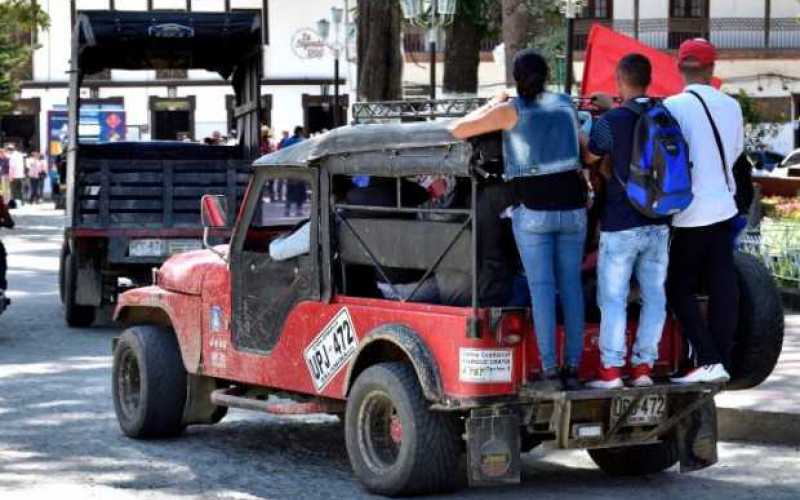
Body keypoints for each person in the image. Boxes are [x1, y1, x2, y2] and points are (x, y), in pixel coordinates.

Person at [450, 49, 588, 390]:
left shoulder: (510, 111)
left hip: (534, 207)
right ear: (547, 76)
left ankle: (551, 370)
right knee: (571, 286)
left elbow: (458, 129)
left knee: (542, 289)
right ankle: (574, 365)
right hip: (574, 206)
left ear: (516, 78)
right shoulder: (565, 104)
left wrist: (491, 103)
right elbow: (583, 145)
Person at [582, 54, 670, 389]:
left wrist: (601, 115)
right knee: (654, 296)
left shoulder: (612, 120)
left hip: (621, 223)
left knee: (613, 298)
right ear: (648, 80)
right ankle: (644, 367)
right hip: (659, 222)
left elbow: (591, 154)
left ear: (620, 78)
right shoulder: (664, 114)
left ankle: (611, 371)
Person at [663, 39, 743, 384]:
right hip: (724, 206)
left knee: (678, 287)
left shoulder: (672, 106)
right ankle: (720, 360)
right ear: (712, 70)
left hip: (688, 212)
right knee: (723, 285)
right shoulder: (731, 106)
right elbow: (737, 151)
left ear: (679, 67)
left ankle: (708, 359)